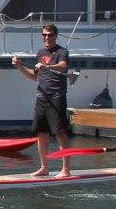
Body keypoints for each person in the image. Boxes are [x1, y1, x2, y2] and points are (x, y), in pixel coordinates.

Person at [12, 23, 73, 177]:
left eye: (50, 35)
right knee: (41, 133)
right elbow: (34, 76)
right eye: (44, 35)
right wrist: (19, 67)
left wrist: (47, 67)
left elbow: (63, 66)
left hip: (56, 97)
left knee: (60, 133)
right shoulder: (40, 53)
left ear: (55, 36)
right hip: (41, 97)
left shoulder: (61, 52)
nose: (47, 37)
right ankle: (44, 167)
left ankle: (65, 170)